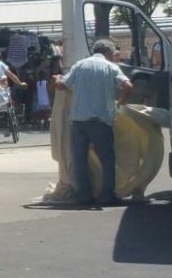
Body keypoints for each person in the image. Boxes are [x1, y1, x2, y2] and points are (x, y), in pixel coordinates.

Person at [55, 39, 133, 208]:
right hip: (100, 121)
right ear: (109, 53)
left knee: (80, 160)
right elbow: (128, 86)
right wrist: (122, 102)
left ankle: (85, 196)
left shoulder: (79, 65)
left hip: (78, 120)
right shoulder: (111, 67)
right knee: (107, 159)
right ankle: (107, 195)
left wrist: (57, 79)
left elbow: (61, 86)